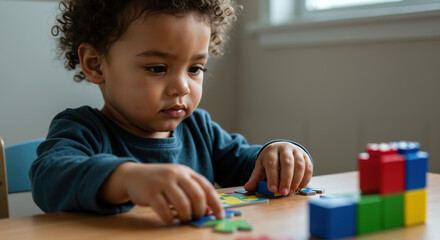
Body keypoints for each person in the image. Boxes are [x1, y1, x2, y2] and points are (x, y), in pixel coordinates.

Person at [30, 0, 313, 223]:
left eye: (195, 69)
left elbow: (247, 166)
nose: (182, 87)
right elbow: (49, 178)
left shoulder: (198, 128)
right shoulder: (81, 129)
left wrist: (275, 154)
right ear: (95, 64)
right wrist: (128, 179)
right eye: (157, 68)